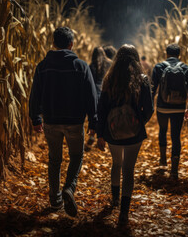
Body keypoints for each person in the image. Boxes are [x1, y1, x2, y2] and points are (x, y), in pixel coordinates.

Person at [29, 27, 97, 216]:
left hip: (51, 121)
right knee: (76, 156)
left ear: (53, 44)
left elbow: (35, 95)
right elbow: (91, 96)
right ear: (71, 44)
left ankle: (55, 199)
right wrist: (93, 121)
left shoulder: (43, 66)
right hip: (75, 122)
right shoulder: (81, 66)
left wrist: (35, 117)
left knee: (54, 160)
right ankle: (69, 187)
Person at [96, 44, 154, 225]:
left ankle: (114, 200)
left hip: (112, 132)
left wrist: (100, 134)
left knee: (117, 164)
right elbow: (149, 109)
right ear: (136, 59)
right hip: (134, 134)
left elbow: (102, 108)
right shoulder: (142, 79)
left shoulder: (109, 79)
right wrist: (139, 122)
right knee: (129, 169)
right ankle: (124, 212)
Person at [151, 43, 188, 179]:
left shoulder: (159, 67)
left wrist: (149, 106)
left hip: (162, 107)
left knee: (162, 131)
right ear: (179, 55)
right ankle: (174, 170)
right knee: (176, 136)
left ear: (166, 54)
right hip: (179, 107)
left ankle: (163, 160)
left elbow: (153, 88)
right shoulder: (186, 68)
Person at [85, 47, 112, 150]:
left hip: (95, 93)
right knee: (105, 115)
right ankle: (103, 139)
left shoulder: (91, 66)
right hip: (106, 92)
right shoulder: (110, 64)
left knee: (94, 116)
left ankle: (92, 136)